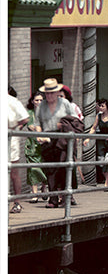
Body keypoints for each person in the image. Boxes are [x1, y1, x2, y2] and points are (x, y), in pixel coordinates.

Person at [33, 78, 74, 208]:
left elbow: (74, 120)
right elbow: (37, 123)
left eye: (52, 92)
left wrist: (63, 124)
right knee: (50, 170)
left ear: (57, 92)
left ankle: (65, 196)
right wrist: (39, 135)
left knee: (62, 167)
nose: (49, 95)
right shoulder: (41, 106)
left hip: (62, 139)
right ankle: (53, 198)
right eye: (47, 93)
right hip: (47, 139)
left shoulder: (65, 103)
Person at [84, 99, 108, 188]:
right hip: (102, 141)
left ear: (107, 107)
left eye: (102, 106)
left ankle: (107, 181)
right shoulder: (98, 116)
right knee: (101, 161)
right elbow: (93, 128)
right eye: (100, 106)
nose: (100, 107)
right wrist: (88, 138)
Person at [8, 89, 30, 213]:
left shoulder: (12, 101)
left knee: (14, 173)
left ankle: (17, 203)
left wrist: (12, 127)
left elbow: (25, 119)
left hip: (10, 141)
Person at [25, 92, 48, 202]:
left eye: (41, 100)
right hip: (32, 145)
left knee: (45, 167)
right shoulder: (29, 113)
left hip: (45, 145)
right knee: (33, 169)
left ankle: (44, 188)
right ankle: (35, 193)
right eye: (37, 100)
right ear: (32, 101)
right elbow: (30, 127)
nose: (39, 102)